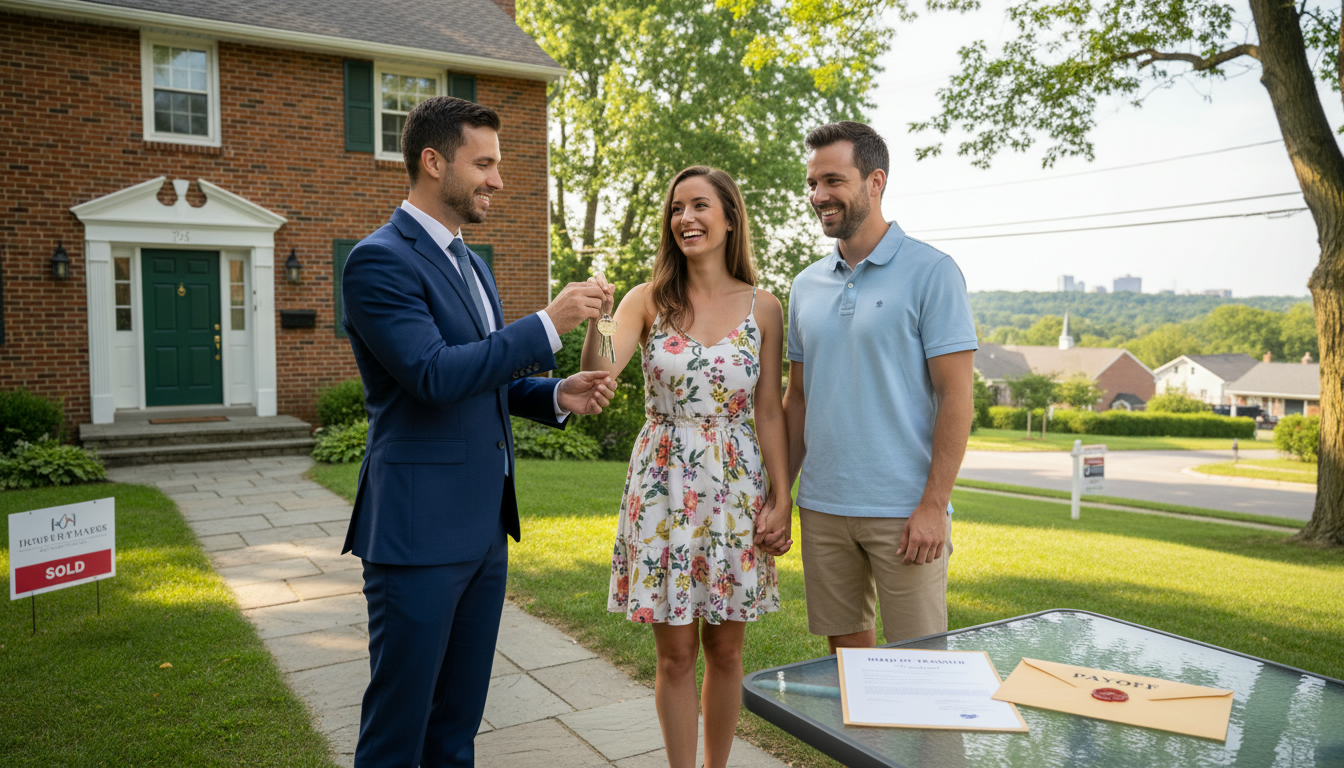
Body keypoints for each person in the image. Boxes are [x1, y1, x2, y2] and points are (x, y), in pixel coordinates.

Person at [340, 96, 615, 767]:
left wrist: (555, 393)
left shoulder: (474, 263)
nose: (498, 179)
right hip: (417, 535)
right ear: (434, 163)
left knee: (457, 728)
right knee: (398, 732)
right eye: (484, 163)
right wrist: (548, 324)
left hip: (485, 532)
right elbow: (432, 375)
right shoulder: (377, 262)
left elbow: (479, 379)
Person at [583, 166, 791, 768]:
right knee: (675, 655)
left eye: (700, 206)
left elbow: (770, 412)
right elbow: (601, 370)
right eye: (676, 208)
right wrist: (596, 314)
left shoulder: (765, 307)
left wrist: (781, 496)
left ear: (729, 218)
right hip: (663, 486)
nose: (686, 219)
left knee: (726, 652)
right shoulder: (645, 300)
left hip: (734, 490)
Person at [783, 121, 977, 653]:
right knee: (849, 668)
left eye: (833, 180)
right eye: (812, 183)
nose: (819, 195)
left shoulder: (932, 272)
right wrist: (782, 495)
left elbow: (957, 397)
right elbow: (797, 399)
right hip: (823, 506)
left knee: (921, 666)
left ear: (876, 181)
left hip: (904, 509)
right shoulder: (805, 285)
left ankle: (931, 744)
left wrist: (935, 505)